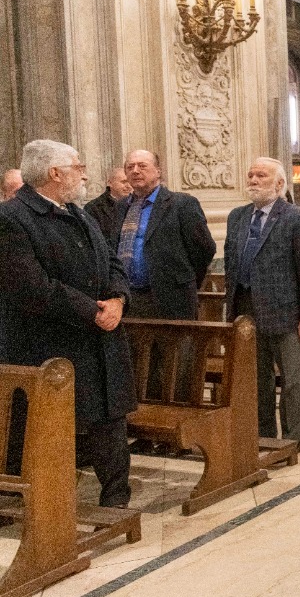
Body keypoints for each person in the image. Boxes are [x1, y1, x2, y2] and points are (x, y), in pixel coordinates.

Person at [0, 140, 135, 506]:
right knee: (49, 429)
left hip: (100, 338)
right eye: (78, 166)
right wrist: (93, 310)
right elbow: (33, 286)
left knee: (109, 418)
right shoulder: (12, 218)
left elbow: (112, 262)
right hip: (52, 343)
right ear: (54, 173)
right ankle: (41, 506)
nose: (85, 172)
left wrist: (118, 300)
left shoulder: (78, 213)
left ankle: (117, 498)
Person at [224, 157, 300, 446]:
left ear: (279, 184)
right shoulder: (237, 216)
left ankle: (293, 439)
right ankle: (265, 436)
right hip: (246, 309)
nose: (253, 180)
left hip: (285, 312)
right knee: (257, 379)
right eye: (251, 175)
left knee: (293, 379)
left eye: (262, 176)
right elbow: (232, 264)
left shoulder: (297, 218)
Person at [110, 150, 216, 321]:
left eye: (142, 166)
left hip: (172, 300)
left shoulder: (182, 204)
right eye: (130, 167)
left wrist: (183, 282)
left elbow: (204, 249)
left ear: (158, 172)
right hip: (129, 299)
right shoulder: (121, 206)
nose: (135, 171)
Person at [84, 166, 130, 238]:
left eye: (130, 182)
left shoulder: (137, 204)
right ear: (110, 183)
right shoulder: (94, 208)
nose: (128, 186)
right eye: (124, 182)